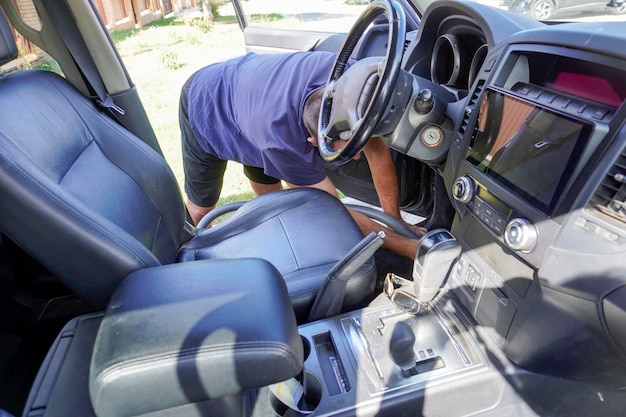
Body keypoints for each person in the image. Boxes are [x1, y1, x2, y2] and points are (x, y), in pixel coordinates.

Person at [179, 50, 422, 259]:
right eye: (346, 149)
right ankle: (196, 257)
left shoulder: (349, 84)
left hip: (251, 98)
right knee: (202, 209)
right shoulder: (281, 141)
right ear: (313, 141)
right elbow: (329, 208)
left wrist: (395, 221)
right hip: (205, 102)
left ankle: (277, 239)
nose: (357, 156)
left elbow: (378, 153)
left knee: (273, 198)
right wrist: (409, 248)